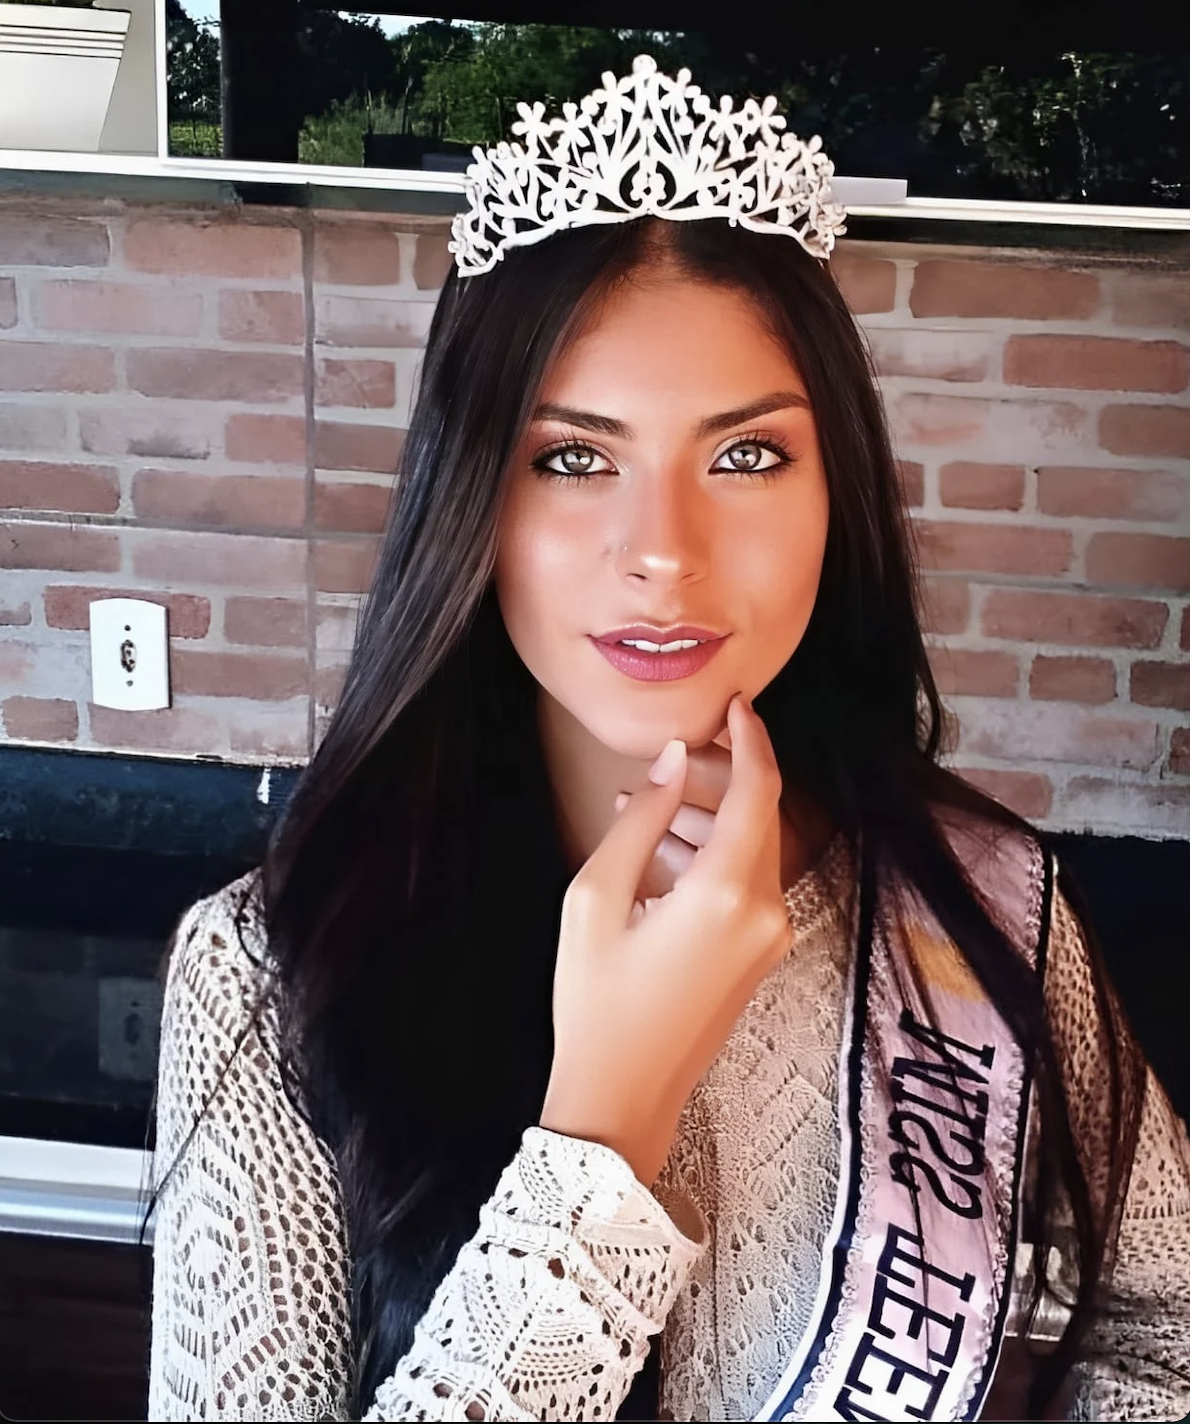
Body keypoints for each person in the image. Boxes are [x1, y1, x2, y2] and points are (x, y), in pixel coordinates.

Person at [142, 56, 1190, 1422]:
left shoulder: (980, 905)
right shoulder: (272, 973)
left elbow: (1165, 1334)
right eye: (572, 458)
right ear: (470, 501)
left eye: (745, 456)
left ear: (836, 491)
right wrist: (603, 1130)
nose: (662, 552)